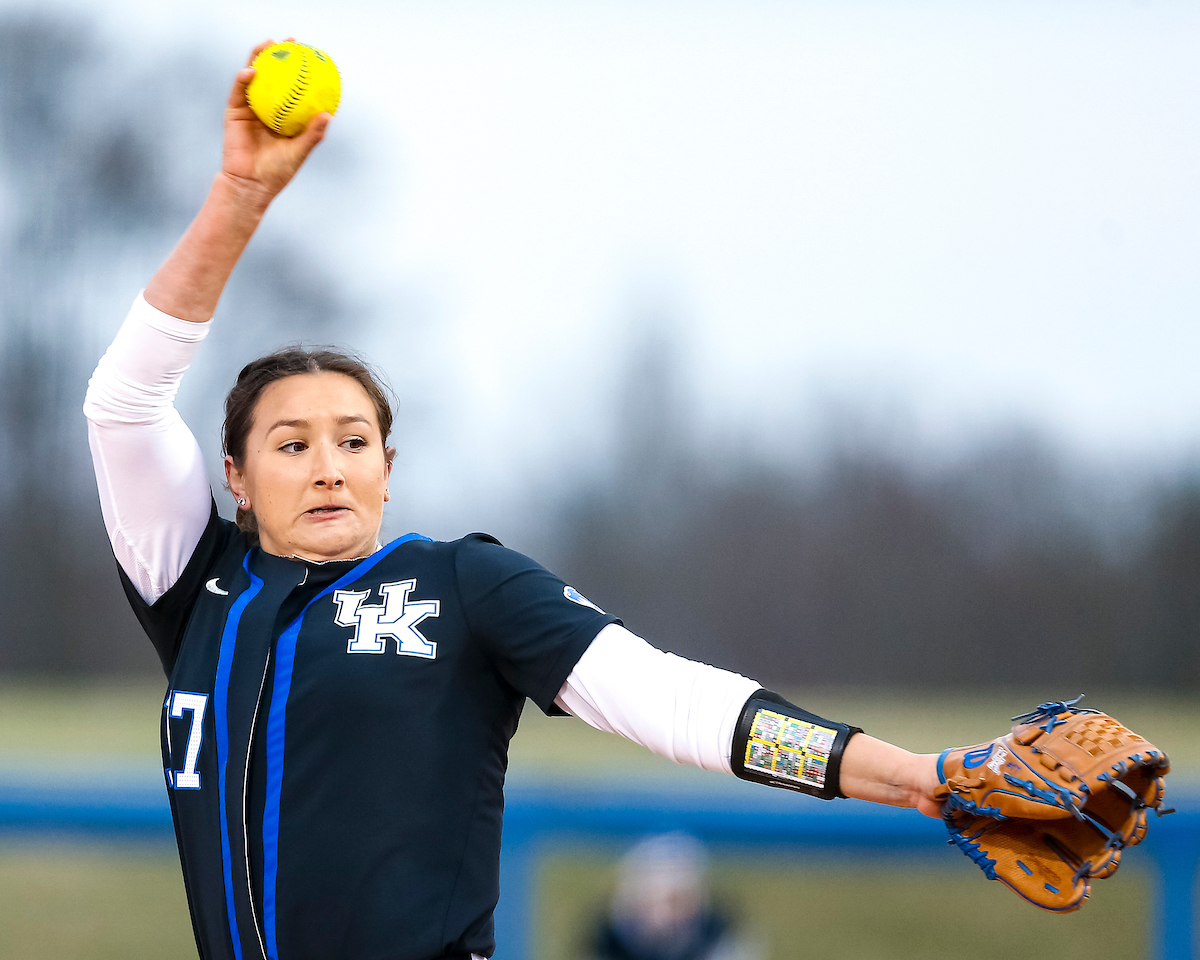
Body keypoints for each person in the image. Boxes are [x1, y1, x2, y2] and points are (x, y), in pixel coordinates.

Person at [84, 41, 941, 960]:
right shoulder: (196, 582)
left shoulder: (462, 586)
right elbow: (123, 402)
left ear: (387, 465)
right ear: (237, 479)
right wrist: (241, 197)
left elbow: (675, 702)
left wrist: (917, 778)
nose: (328, 467)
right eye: (291, 445)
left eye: (354, 441)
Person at [585, 833, 762, 960]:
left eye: (674, 902)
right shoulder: (607, 941)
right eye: (649, 902)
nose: (661, 916)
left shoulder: (722, 938)